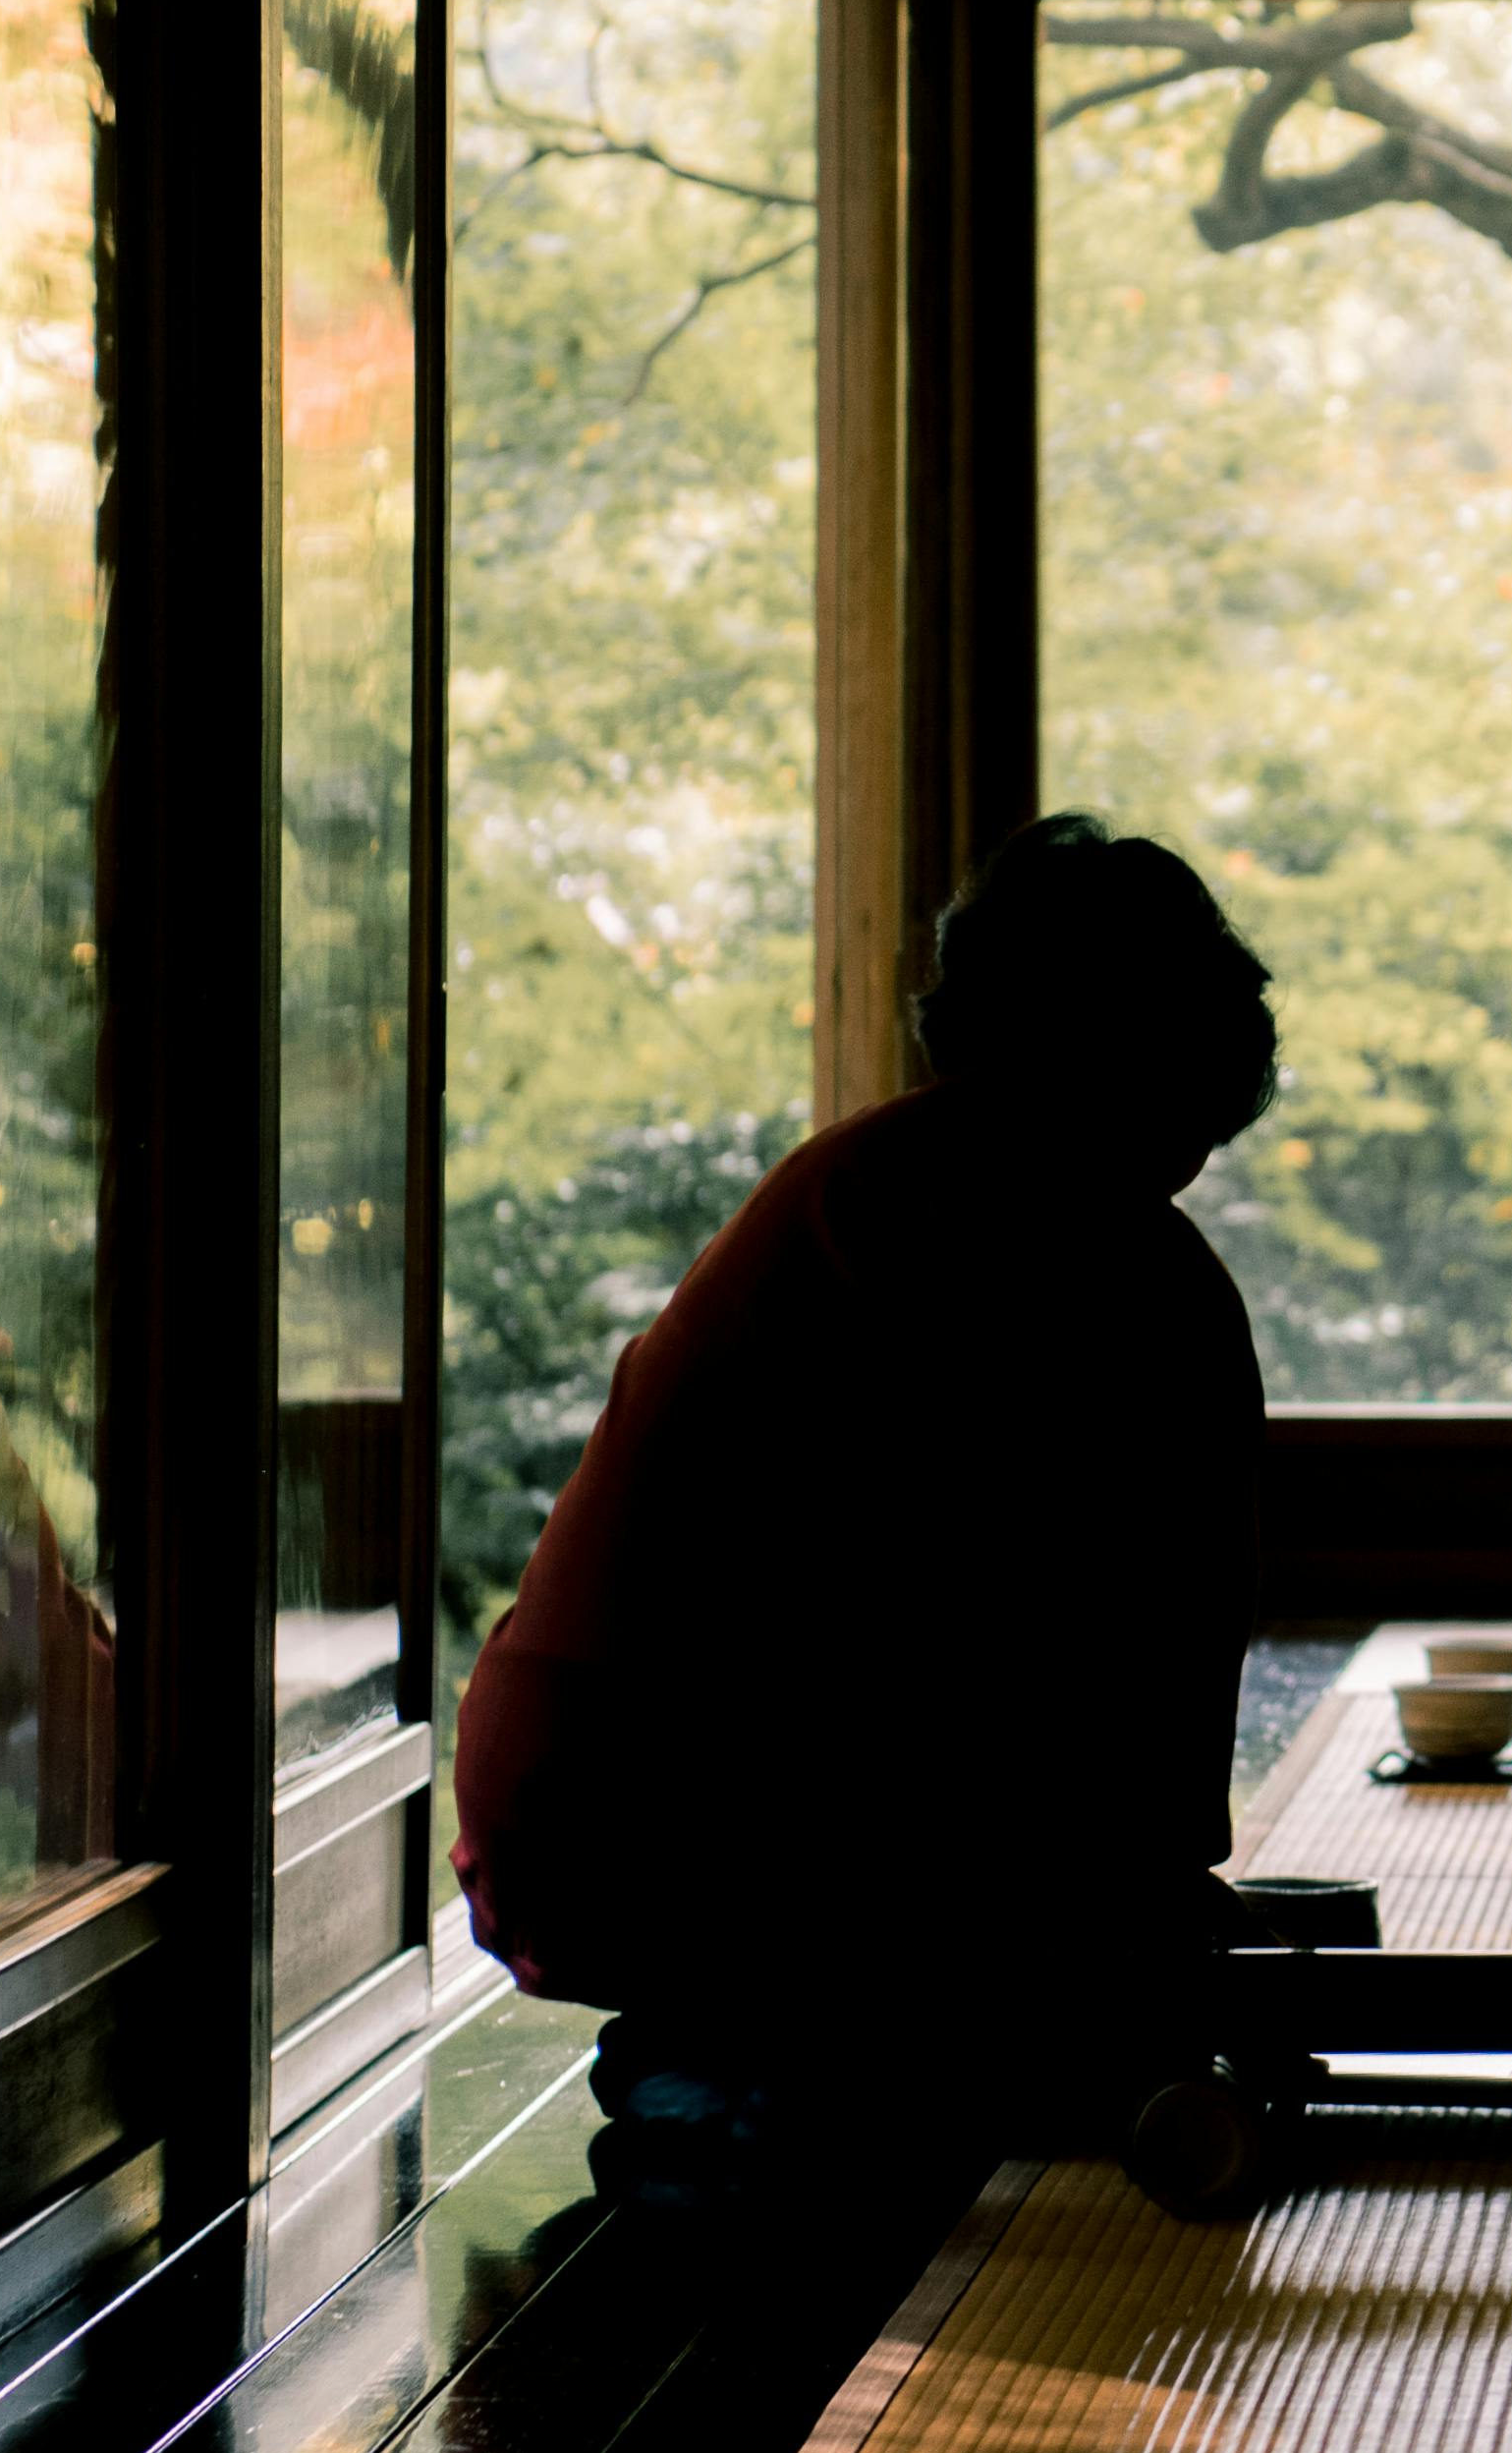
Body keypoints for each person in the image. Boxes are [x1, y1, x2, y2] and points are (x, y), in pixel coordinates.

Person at [449, 817, 1277, 2171]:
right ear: (1158, 1061)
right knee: (1094, 2047)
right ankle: (755, 2075)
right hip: (657, 1833)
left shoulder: (873, 1178)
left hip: (585, 1796)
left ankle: (774, 2052)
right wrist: (1157, 1934)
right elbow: (1127, 1696)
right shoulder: (1083, 1256)